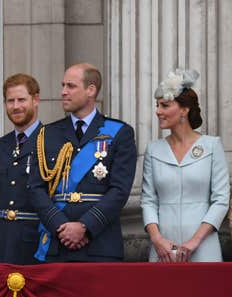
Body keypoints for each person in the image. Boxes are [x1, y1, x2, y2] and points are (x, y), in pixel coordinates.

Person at [29, 63, 137, 262]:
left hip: (100, 244)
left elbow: (119, 190)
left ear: (91, 90)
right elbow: (36, 188)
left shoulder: (119, 132)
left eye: (71, 86)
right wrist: (60, 226)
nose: (63, 92)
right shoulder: (47, 134)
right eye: (63, 85)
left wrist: (85, 226)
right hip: (56, 243)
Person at [141, 69, 230, 262]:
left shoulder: (212, 146)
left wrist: (195, 241)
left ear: (184, 109)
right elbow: (148, 200)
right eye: (157, 106)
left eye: (165, 105)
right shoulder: (153, 150)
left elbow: (221, 199)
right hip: (162, 249)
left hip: (203, 246)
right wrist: (157, 239)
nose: (158, 111)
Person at [0, 73, 42, 264]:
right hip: (0, 244)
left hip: (35, 244)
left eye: (21, 99)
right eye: (10, 101)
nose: (16, 106)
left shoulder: (51, 141)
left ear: (36, 100)